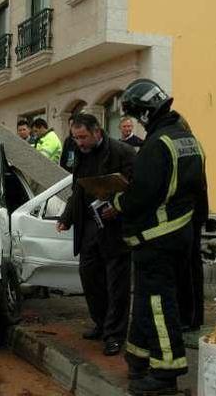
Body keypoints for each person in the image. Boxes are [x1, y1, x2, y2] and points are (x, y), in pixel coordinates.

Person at [107, 79, 208, 395]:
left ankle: (166, 372)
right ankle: (138, 359)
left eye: (137, 116)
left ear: (146, 112)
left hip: (156, 236)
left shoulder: (157, 144)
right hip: (180, 232)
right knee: (146, 300)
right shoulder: (188, 139)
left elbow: (141, 195)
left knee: (160, 303)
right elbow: (198, 191)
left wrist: (116, 202)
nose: (138, 122)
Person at [56, 113, 136, 357]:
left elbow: (137, 188)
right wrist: (66, 217)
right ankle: (101, 324)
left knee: (116, 284)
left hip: (116, 227)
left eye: (83, 137)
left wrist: (117, 205)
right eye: (75, 137)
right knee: (89, 276)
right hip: (89, 225)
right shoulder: (80, 153)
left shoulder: (123, 152)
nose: (79, 142)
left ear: (97, 132)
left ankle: (115, 335)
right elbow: (77, 189)